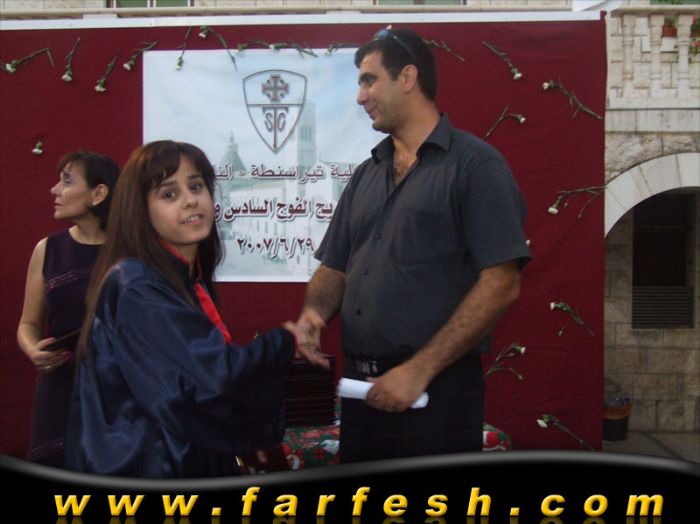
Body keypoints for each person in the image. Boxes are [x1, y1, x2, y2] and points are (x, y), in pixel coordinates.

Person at [295, 27, 532, 462]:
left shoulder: (476, 166)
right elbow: (334, 267)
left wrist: (420, 370)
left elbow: (502, 282)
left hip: (436, 399)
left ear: (407, 77)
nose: (360, 97)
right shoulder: (366, 174)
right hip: (362, 397)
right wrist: (313, 314)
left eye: (369, 81)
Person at [64, 140, 328, 478]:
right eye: (169, 194)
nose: (190, 200)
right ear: (140, 210)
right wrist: (286, 340)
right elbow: (210, 379)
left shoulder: (179, 276)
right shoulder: (137, 286)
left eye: (196, 186)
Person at [17, 150, 121, 467]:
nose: (54, 190)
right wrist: (33, 350)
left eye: (66, 181)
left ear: (98, 193)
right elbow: (28, 324)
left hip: (116, 389)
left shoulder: (130, 252)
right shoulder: (47, 249)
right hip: (59, 388)